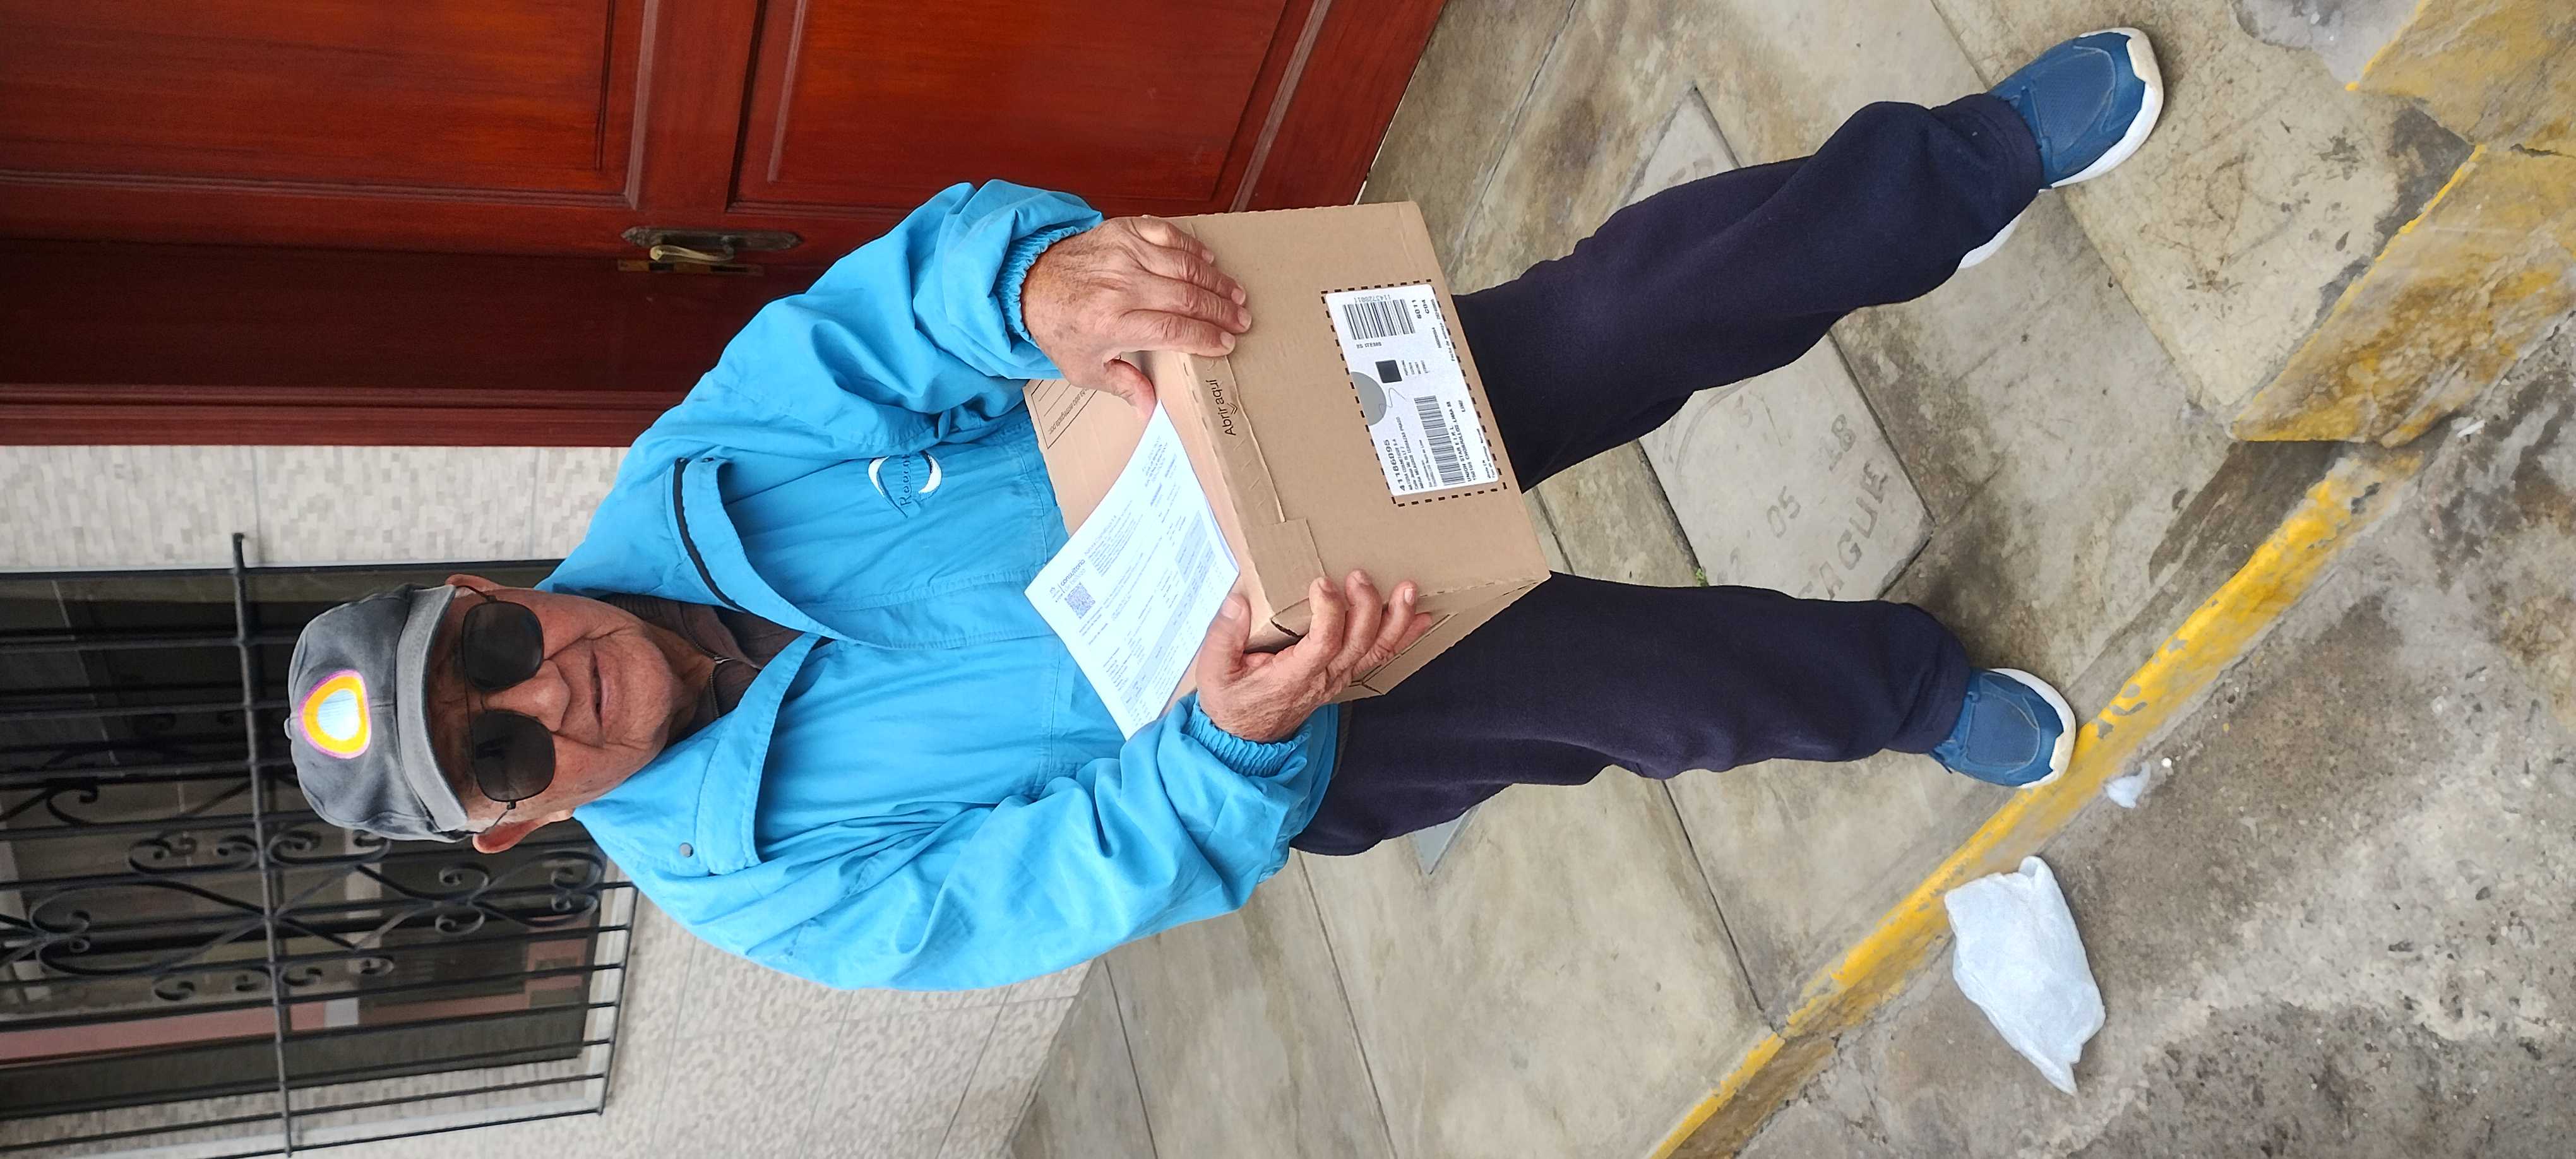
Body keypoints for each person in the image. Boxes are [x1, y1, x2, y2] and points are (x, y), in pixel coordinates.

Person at [282, 30, 2163, 989]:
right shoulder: (765, 892)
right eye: (499, 753)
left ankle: (1965, 166)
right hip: (1285, 718)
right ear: (515, 829)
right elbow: (1073, 878)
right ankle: (1914, 692)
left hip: (1273, 441)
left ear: (479, 583)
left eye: (488, 653)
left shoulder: (688, 478)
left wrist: (1039, 289)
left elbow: (897, 312)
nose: (544, 695)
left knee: (1629, 311)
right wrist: (1238, 738)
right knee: (1651, 691)